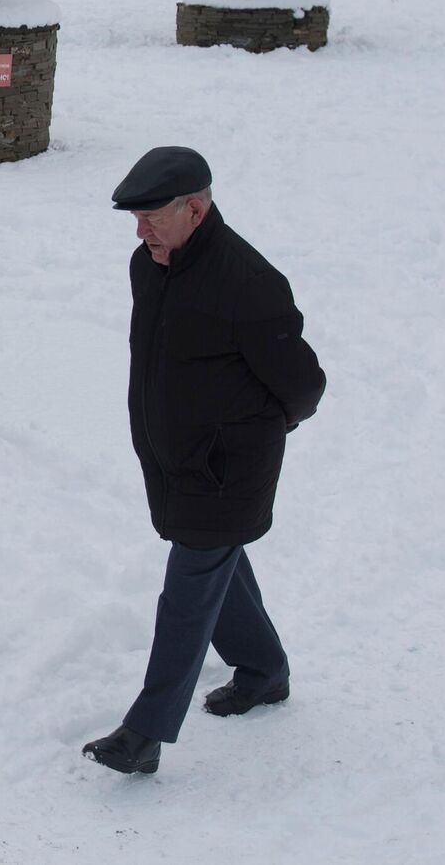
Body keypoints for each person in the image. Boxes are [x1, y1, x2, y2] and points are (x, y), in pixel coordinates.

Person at [82, 146, 326, 776]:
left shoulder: (246, 282)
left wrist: (255, 432)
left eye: (152, 217)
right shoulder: (151, 265)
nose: (141, 232)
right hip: (175, 459)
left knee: (189, 589)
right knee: (219, 563)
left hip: (227, 469)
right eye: (134, 220)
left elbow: (302, 383)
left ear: (196, 208)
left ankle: (146, 731)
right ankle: (264, 672)